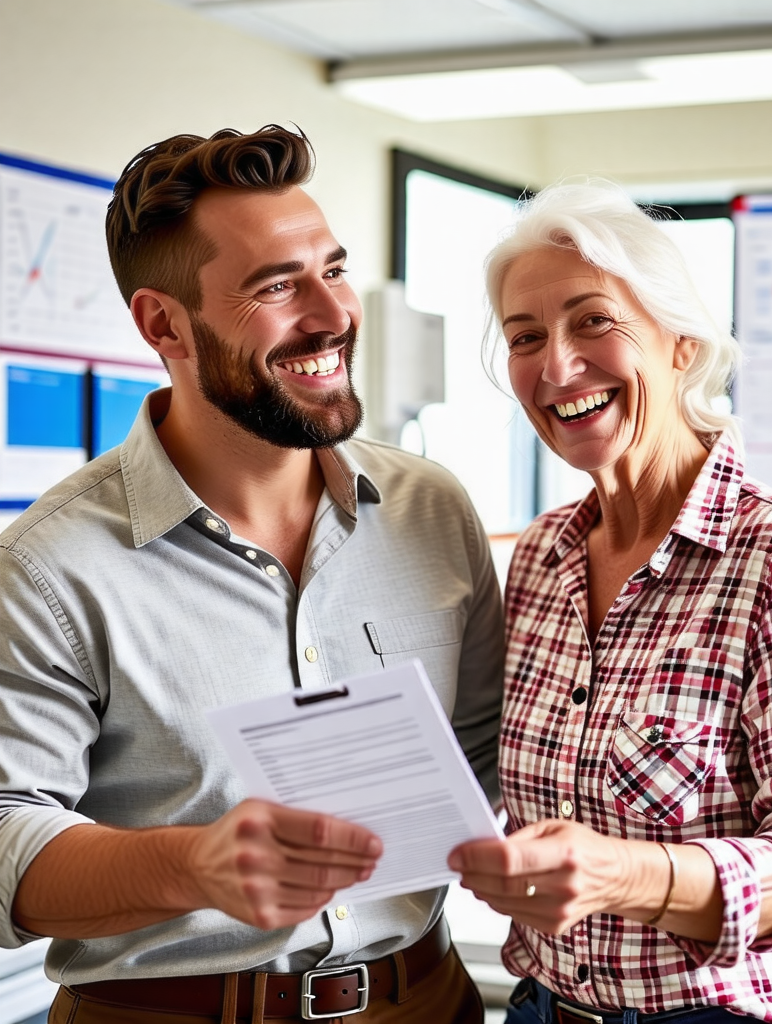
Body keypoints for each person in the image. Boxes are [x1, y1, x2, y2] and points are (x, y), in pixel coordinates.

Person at [0, 126, 503, 1024]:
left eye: (333, 270)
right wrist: (192, 866)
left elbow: (490, 763)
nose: (331, 314)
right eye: (278, 287)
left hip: (426, 999)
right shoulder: (51, 566)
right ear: (163, 324)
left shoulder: (433, 510)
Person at [448, 181, 772, 1024]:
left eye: (593, 321)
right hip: (547, 1007)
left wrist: (627, 876)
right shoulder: (542, 557)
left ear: (681, 344)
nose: (557, 366)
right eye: (525, 337)